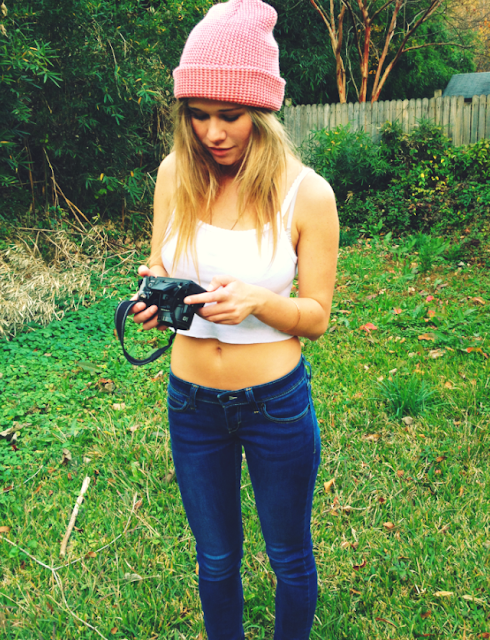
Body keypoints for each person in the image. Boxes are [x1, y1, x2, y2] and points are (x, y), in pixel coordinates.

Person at [131, 1, 339, 638]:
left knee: (288, 557)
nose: (212, 132)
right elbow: (158, 262)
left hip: (274, 404)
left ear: (262, 113)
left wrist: (258, 302)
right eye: (198, 115)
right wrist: (151, 299)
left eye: (230, 115)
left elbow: (316, 316)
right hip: (191, 402)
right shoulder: (174, 175)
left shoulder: (308, 194)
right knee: (216, 559)